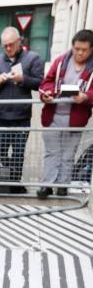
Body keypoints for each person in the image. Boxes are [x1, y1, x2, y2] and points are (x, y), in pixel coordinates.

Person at [37, 29, 93, 198]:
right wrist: (45, 95)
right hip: (53, 115)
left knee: (68, 155)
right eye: (77, 49)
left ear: (91, 50)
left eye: (84, 50)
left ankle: (63, 185)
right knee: (51, 153)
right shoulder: (61, 61)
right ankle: (47, 185)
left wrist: (85, 96)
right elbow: (46, 82)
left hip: (75, 118)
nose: (80, 53)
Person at [0, 26, 44, 193]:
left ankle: (15, 184)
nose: (8, 48)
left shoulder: (32, 58)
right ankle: (1, 183)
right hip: (2, 115)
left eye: (11, 44)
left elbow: (39, 82)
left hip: (22, 115)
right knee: (1, 151)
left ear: (19, 41)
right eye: (4, 45)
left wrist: (23, 79)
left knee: (19, 153)